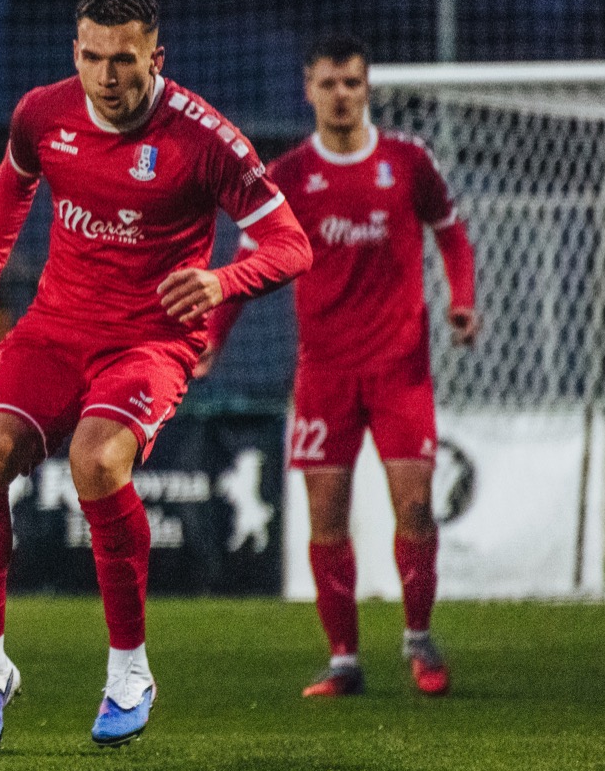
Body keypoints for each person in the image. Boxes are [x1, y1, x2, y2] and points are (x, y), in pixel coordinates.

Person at [0, 0, 311, 753]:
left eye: (124, 60)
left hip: (149, 341)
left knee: (96, 460)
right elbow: (12, 183)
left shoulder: (206, 139)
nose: (106, 76)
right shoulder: (43, 113)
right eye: (92, 57)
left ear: (156, 58)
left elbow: (291, 245)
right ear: (75, 52)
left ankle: (129, 671)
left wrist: (222, 281)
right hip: (54, 328)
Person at [200, 35, 477, 698]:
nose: (341, 94)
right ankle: (344, 660)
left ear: (367, 86)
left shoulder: (407, 161)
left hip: (400, 369)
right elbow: (245, 262)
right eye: (329, 83)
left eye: (352, 82)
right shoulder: (289, 177)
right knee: (327, 517)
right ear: (309, 90)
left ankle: (418, 638)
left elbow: (451, 232)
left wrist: (462, 300)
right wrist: (212, 338)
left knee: (416, 507)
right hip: (324, 373)